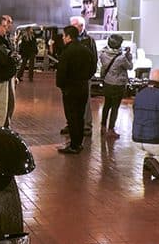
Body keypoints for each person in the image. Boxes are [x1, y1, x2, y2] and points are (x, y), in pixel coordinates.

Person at [56, 25, 96, 154]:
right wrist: (85, 78)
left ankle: (73, 145)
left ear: (68, 37)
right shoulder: (85, 50)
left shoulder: (67, 52)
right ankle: (79, 143)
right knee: (80, 116)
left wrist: (62, 86)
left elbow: (61, 72)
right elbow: (93, 67)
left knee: (72, 117)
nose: (62, 38)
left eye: (63, 36)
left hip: (70, 89)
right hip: (83, 87)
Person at [61, 16, 97, 136]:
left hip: (83, 79)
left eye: (74, 25)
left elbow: (94, 60)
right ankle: (71, 124)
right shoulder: (68, 40)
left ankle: (86, 126)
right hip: (71, 80)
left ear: (81, 26)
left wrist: (87, 76)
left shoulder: (89, 40)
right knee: (70, 104)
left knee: (85, 103)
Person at [98, 33, 132, 138]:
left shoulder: (103, 54)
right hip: (118, 84)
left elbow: (103, 68)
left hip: (107, 83)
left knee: (106, 105)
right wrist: (128, 56)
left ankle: (103, 127)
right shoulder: (121, 58)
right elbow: (130, 66)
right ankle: (111, 129)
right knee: (115, 107)